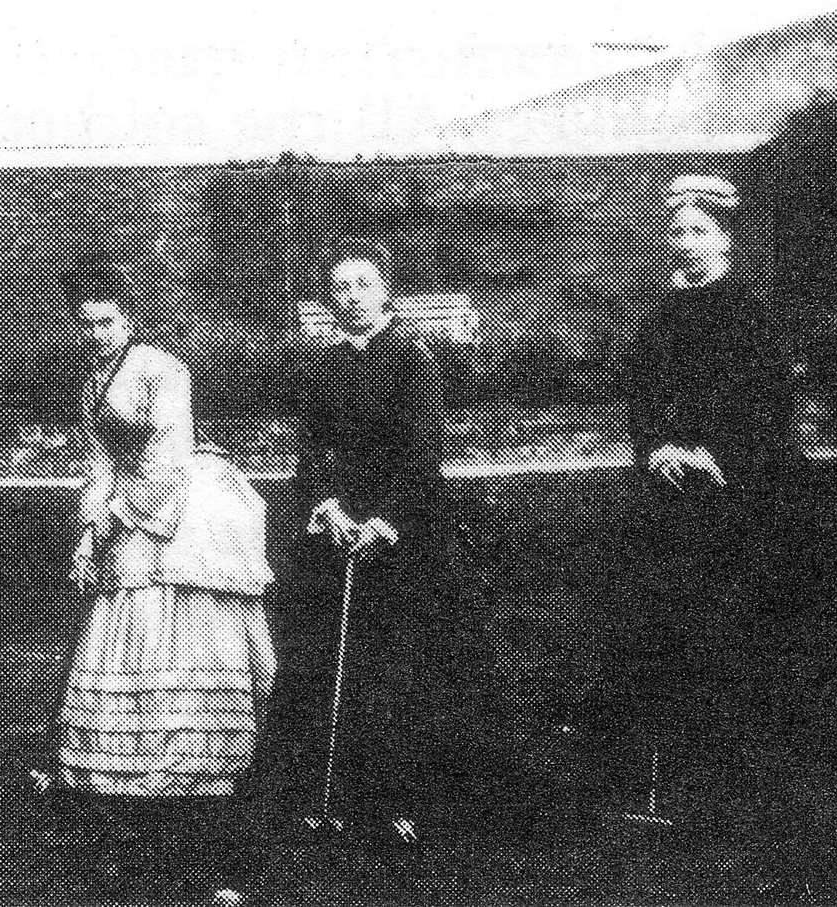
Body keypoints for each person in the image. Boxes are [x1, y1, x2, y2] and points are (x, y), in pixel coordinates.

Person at [254, 239, 521, 899]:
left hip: (404, 533)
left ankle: (401, 797)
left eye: (363, 284)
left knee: (402, 663)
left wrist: (382, 522)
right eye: (339, 286)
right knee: (324, 660)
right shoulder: (322, 365)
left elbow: (422, 451)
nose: (350, 295)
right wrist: (328, 507)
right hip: (336, 530)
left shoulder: (411, 357)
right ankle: (329, 788)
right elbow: (311, 447)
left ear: (385, 293)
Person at [31, 256, 275, 906]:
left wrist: (113, 522)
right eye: (85, 323)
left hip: (175, 525)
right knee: (126, 659)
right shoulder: (92, 381)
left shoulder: (164, 371)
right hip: (121, 521)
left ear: (129, 319)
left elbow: (166, 458)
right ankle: (134, 830)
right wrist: (88, 532)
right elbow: (100, 461)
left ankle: (207, 833)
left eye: (107, 321)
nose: (96, 334)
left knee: (180, 659)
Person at [593, 173, 810, 887]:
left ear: (725, 239)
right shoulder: (660, 320)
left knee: (738, 638)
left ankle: (746, 796)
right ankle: (682, 791)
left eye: (699, 231)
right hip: (670, 501)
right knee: (672, 636)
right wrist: (657, 446)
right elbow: (644, 398)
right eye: (676, 231)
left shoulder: (751, 317)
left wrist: (715, 453)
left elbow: (767, 406)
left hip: (739, 505)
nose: (685, 242)